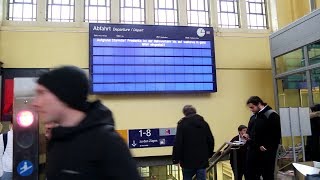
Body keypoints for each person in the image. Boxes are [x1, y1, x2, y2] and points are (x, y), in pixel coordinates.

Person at [32, 65, 141, 180]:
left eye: (42, 93)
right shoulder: (57, 140)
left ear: (63, 95)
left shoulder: (107, 142)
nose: (35, 103)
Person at [172, 105, 214, 180]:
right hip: (201, 160)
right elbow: (210, 140)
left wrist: (176, 159)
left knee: (187, 177)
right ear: (195, 111)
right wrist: (209, 154)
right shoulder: (204, 123)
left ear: (185, 113)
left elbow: (178, 142)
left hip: (186, 160)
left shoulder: (182, 124)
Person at [244, 96, 281, 180]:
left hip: (265, 152)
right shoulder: (253, 117)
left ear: (259, 104)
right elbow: (249, 130)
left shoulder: (271, 115)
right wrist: (247, 135)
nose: (251, 110)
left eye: (252, 107)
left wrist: (266, 146)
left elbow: (276, 134)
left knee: (267, 174)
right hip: (253, 149)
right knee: (251, 174)